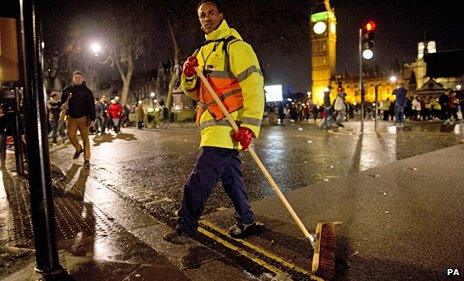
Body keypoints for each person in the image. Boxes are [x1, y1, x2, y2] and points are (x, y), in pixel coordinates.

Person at [164, 0, 264, 244]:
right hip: (213, 129)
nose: (206, 18)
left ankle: (185, 227)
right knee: (232, 178)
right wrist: (188, 75)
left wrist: (249, 128)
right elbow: (194, 92)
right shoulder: (201, 52)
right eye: (201, 15)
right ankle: (247, 220)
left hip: (227, 128)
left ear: (221, 14)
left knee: (198, 182)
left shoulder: (237, 47)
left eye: (211, 13)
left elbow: (254, 87)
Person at [61, 71, 96, 167]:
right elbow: (62, 103)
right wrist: (63, 107)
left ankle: (87, 159)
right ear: (73, 78)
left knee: (85, 139)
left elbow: (92, 106)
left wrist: (92, 119)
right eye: (75, 77)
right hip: (71, 117)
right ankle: (78, 148)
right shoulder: (67, 90)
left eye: (79, 77)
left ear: (83, 79)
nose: (77, 79)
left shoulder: (87, 91)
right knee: (70, 135)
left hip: (84, 118)